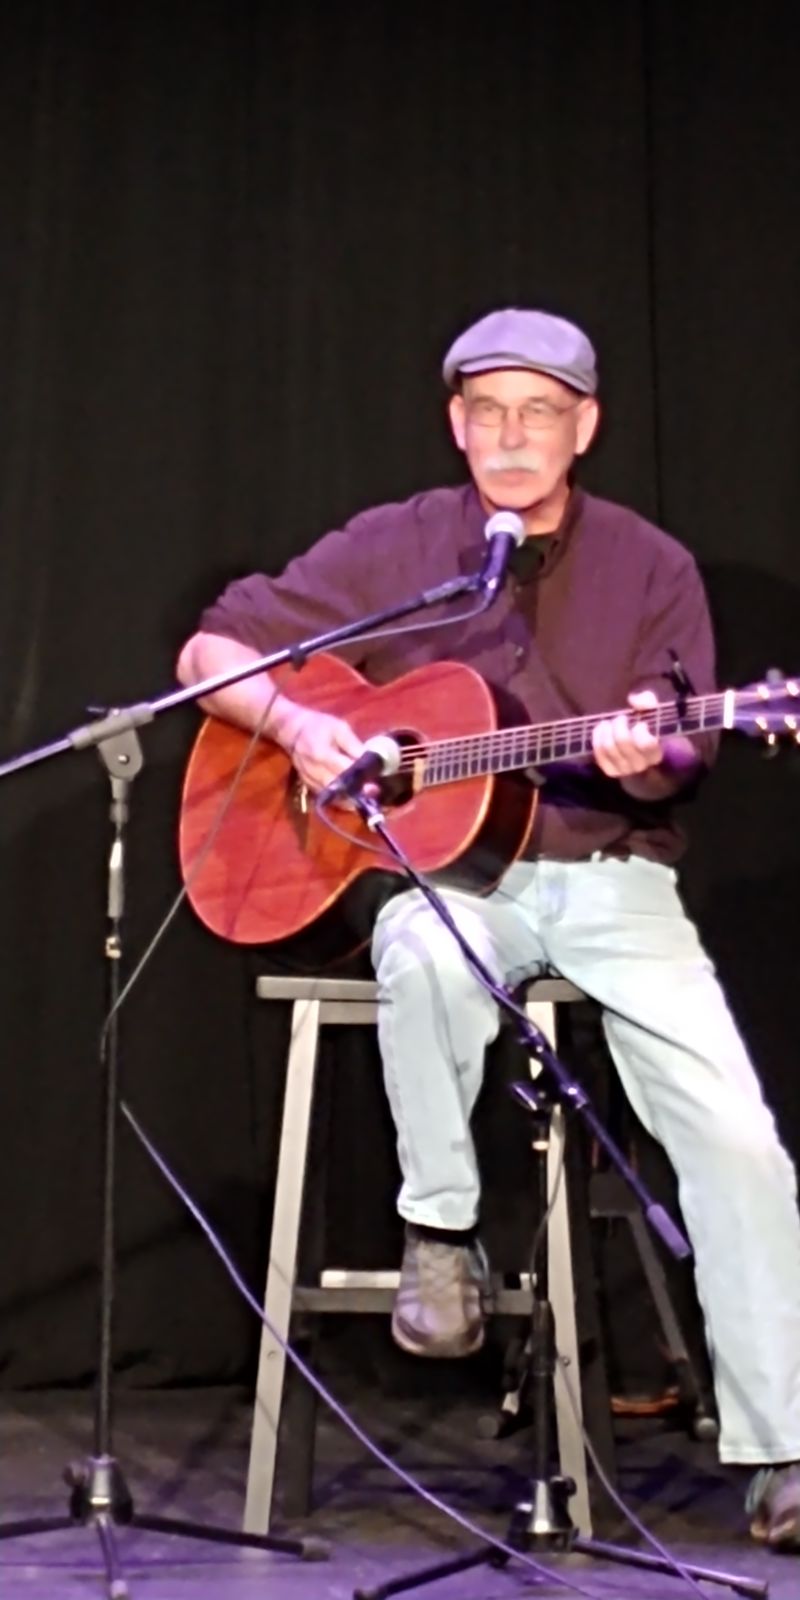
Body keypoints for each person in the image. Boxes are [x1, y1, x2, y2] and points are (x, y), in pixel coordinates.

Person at [177, 307, 800, 1547]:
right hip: (455, 882)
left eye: (541, 412)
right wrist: (301, 728)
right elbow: (212, 650)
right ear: (456, 425)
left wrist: (648, 750)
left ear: (584, 426)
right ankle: (439, 1230)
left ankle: (780, 1451)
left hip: (613, 882)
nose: (514, 435)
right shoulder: (397, 545)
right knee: (421, 949)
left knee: (738, 1142)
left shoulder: (650, 566)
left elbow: (681, 754)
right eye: (490, 411)